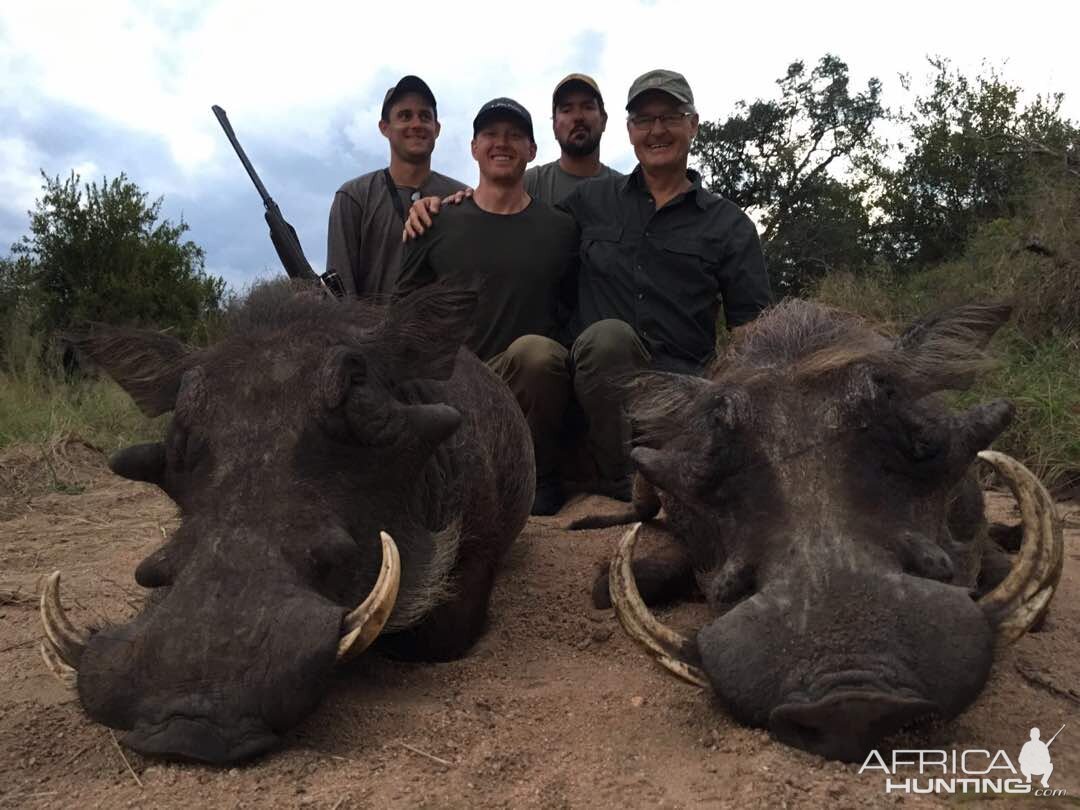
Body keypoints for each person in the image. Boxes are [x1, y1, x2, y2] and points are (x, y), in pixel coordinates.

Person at [404, 69, 771, 503]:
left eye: (670, 117)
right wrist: (442, 203)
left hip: (681, 396)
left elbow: (754, 335)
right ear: (630, 130)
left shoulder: (729, 225)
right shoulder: (593, 200)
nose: (657, 130)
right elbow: (510, 210)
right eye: (645, 120)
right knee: (606, 339)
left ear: (692, 124)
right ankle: (617, 481)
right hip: (598, 397)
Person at [395, 98, 579, 516]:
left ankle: (538, 476)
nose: (503, 144)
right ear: (474, 147)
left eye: (515, 135)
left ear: (532, 151)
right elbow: (404, 316)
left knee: (537, 354)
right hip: (455, 389)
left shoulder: (562, 229)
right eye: (491, 135)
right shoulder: (433, 221)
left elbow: (574, 309)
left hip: (530, 388)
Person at [326, 75, 466, 297]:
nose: (416, 124)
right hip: (370, 331)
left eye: (424, 116)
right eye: (405, 116)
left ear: (437, 128)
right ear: (384, 128)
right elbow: (341, 294)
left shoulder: (460, 198)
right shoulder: (353, 197)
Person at [524, 73, 621, 205]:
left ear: (603, 121)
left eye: (588, 107)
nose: (578, 117)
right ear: (554, 127)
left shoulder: (624, 191)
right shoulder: (528, 185)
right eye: (567, 110)